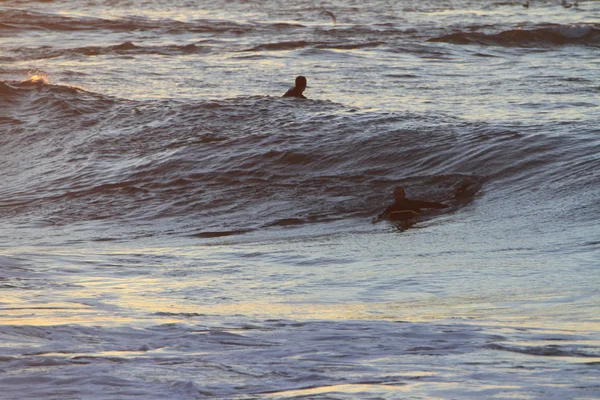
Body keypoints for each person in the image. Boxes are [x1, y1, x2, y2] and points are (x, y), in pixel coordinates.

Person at [378, 186, 448, 221]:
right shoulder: (391, 208)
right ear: (393, 196)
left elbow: (428, 204)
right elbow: (381, 216)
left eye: (399, 194)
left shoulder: (413, 204)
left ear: (404, 195)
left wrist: (443, 206)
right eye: (395, 194)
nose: (398, 196)